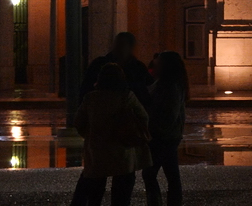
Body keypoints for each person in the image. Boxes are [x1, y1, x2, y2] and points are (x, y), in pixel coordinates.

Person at [71, 63, 152, 206]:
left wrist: (90, 135)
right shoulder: (127, 96)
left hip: (97, 150)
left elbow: (78, 122)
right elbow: (143, 117)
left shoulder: (91, 98)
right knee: (122, 194)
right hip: (122, 149)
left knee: (94, 193)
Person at [143, 51, 188, 206]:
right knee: (171, 175)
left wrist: (153, 128)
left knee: (150, 174)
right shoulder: (168, 84)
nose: (154, 66)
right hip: (168, 136)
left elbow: (169, 114)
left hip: (162, 136)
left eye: (158, 64)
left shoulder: (170, 86)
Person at [82, 33, 150, 105]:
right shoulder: (138, 68)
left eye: (122, 45)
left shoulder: (138, 68)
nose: (119, 48)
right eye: (118, 44)